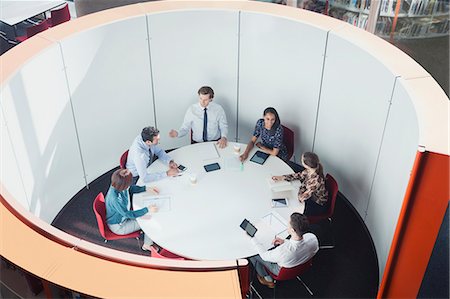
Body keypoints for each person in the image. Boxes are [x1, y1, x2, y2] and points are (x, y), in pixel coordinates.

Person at [249, 213, 319, 288]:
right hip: (302, 265)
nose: (287, 225)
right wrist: (285, 241)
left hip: (280, 271)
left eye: (288, 223)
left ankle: (267, 279)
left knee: (253, 254)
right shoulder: (312, 238)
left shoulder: (283, 251)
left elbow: (264, 256)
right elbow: (299, 245)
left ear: (292, 230)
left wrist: (253, 238)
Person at [105, 169, 157, 251]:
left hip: (123, 217)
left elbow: (130, 189)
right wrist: (147, 209)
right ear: (124, 184)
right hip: (119, 226)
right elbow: (128, 214)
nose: (131, 183)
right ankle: (147, 245)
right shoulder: (115, 199)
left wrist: (145, 189)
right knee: (147, 221)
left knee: (146, 215)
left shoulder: (118, 185)